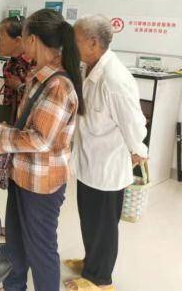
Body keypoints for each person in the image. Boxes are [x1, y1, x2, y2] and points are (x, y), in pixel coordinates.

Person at [0, 9, 85, 291]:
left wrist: (1, 135)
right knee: (15, 242)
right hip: (23, 174)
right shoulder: (40, 76)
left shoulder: (58, 85)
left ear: (33, 40)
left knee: (40, 249)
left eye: (23, 37)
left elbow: (41, 139)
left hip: (42, 183)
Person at [64, 15, 149, 291]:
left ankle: (101, 280)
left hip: (107, 166)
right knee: (90, 219)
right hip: (89, 162)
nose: (71, 45)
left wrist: (138, 150)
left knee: (103, 226)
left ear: (93, 42)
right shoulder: (89, 68)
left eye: (75, 40)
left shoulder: (114, 78)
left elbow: (134, 123)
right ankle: (91, 263)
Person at [0, 17, 35, 241]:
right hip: (10, 127)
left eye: (0, 37)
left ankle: (23, 230)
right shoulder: (10, 63)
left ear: (18, 40)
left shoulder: (34, 64)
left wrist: (21, 86)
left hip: (26, 133)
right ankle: (13, 227)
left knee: (24, 183)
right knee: (12, 179)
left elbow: (38, 98)